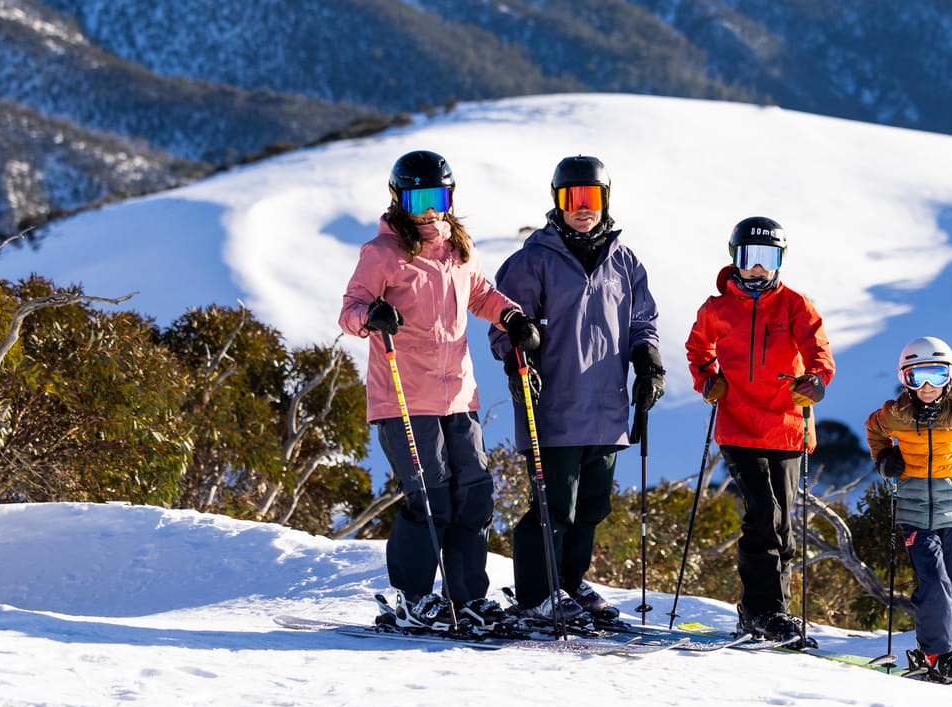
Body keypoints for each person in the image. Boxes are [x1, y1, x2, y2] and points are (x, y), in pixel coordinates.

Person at [338, 149, 542, 636]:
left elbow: (479, 293)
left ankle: (468, 598)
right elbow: (350, 308)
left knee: (473, 497)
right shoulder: (382, 253)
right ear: (398, 198)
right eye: (419, 197)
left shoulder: (455, 250)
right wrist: (370, 317)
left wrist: (511, 315)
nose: (430, 208)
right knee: (430, 499)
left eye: (440, 196)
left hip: (459, 398)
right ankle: (412, 599)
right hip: (404, 399)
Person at [488, 155, 664, 629]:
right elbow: (501, 326)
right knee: (553, 507)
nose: (582, 208)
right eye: (572, 198)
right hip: (553, 406)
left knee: (591, 508)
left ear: (605, 200)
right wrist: (517, 353)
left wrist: (647, 360)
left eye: (592, 197)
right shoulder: (533, 260)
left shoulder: (624, 261)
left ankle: (569, 582)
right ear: (557, 201)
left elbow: (642, 320)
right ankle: (536, 595)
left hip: (606, 407)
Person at [685, 215, 834, 643]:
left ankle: (774, 613)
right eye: (749, 257)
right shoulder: (717, 308)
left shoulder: (796, 306)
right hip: (737, 425)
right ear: (735, 258)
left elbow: (820, 354)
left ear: (779, 261)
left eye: (767, 258)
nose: (757, 268)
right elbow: (698, 349)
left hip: (788, 425)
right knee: (763, 515)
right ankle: (762, 611)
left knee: (783, 522)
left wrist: (817, 383)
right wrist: (708, 381)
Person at [862, 336, 952, 688]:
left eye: (936, 376)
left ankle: (937, 656)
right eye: (917, 377)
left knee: (950, 587)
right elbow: (874, 430)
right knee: (935, 581)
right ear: (905, 379)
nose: (926, 387)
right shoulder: (896, 415)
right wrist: (884, 459)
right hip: (912, 510)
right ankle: (940, 655)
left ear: (951, 377)